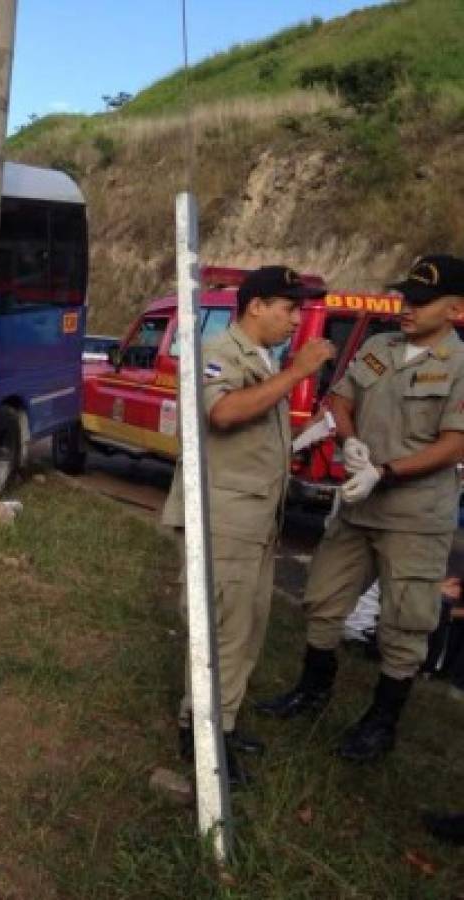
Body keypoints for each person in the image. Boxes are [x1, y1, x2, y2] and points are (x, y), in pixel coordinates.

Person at [257, 255, 464, 762]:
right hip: (358, 508)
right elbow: (342, 399)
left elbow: (456, 443)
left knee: (404, 622)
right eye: (405, 297)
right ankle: (313, 689)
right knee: (323, 600)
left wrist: (388, 472)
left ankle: (381, 721)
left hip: (415, 517)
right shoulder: (379, 346)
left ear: (456, 308)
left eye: (420, 302)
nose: (406, 308)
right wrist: (351, 444)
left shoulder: (460, 365)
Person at [164, 265, 334, 786]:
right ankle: (204, 738)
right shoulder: (218, 352)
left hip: (256, 520)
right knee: (220, 633)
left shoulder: (262, 358)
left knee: (246, 630)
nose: (295, 320)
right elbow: (225, 413)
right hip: (226, 520)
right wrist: (298, 373)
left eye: (298, 310)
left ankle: (225, 722)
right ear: (256, 305)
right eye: (288, 308)